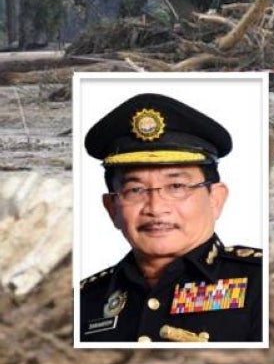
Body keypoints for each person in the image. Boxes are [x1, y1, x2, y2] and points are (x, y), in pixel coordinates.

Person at [78, 92, 262, 343]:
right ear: (112, 208)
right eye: (136, 190)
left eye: (176, 187)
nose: (156, 208)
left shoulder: (261, 284)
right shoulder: (85, 299)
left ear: (215, 199)